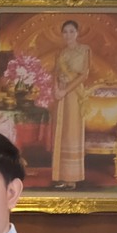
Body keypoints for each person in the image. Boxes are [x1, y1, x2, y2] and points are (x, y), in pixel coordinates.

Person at [50, 20, 91, 189]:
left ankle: (72, 178)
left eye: (71, 31)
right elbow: (55, 72)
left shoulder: (84, 50)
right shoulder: (61, 53)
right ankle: (61, 176)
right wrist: (56, 90)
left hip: (74, 94)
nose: (68, 35)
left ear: (77, 33)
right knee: (61, 133)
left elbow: (84, 75)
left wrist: (65, 91)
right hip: (61, 95)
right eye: (65, 31)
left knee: (72, 132)